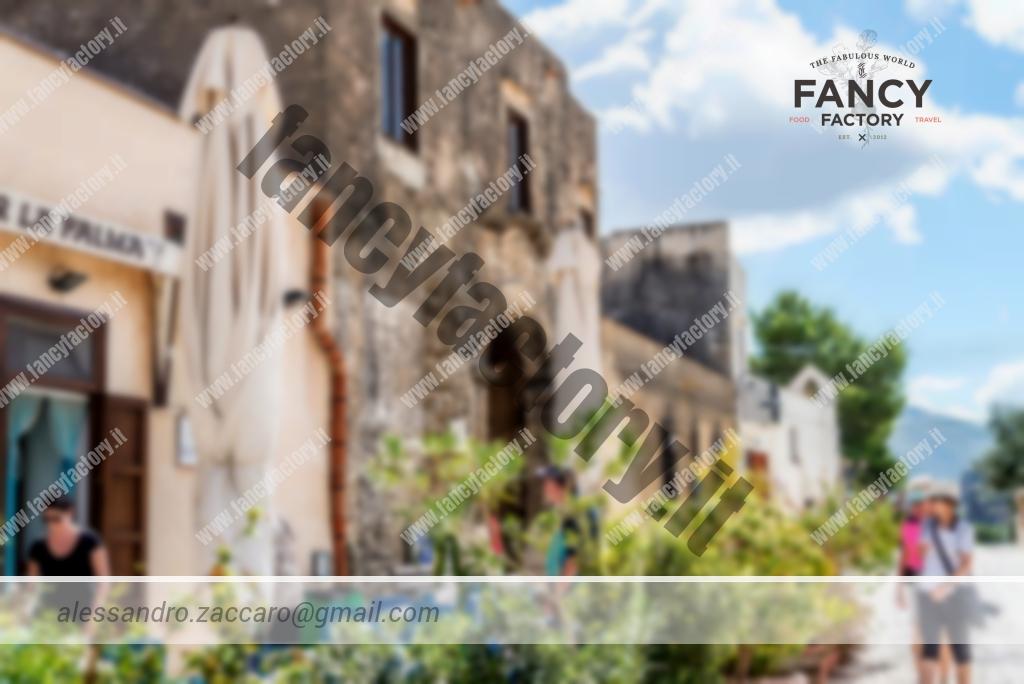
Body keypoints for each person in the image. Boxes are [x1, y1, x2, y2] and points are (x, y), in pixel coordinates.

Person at [917, 482, 973, 684]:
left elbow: (966, 564)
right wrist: (922, 549)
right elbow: (921, 555)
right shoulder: (927, 525)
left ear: (949, 503)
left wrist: (946, 587)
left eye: (936, 500)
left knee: (961, 653)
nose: (931, 504)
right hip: (927, 594)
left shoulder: (962, 529)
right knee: (929, 651)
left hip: (953, 596)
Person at [27, 496, 109, 577]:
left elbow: (103, 580)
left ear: (70, 513)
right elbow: (32, 582)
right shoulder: (38, 546)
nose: (51, 525)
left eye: (56, 519)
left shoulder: (91, 541)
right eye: (47, 519)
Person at [537, 466, 581, 577]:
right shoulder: (560, 515)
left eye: (548, 484)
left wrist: (557, 593)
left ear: (562, 488)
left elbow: (572, 563)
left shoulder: (571, 518)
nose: (544, 489)